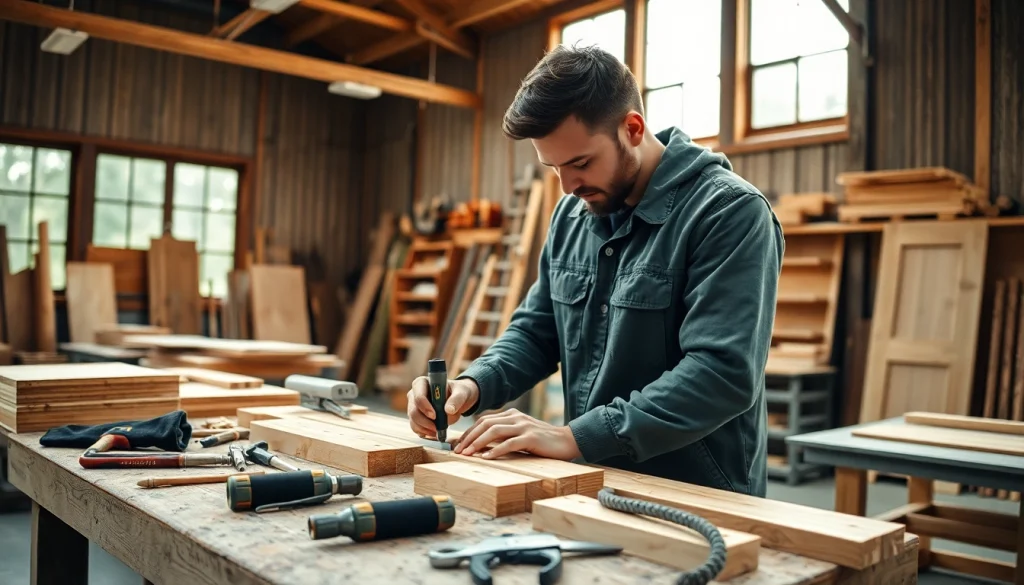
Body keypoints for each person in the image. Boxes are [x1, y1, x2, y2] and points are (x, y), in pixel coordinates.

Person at [406, 44, 783, 497]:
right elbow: (537, 332)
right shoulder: (572, 215)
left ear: (633, 128)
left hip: (698, 493)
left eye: (581, 163)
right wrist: (473, 384)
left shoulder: (728, 213)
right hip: (592, 481)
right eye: (554, 168)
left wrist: (573, 437)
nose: (568, 186)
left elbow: (720, 374)